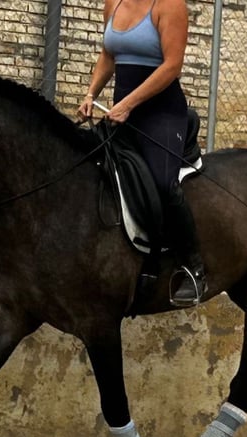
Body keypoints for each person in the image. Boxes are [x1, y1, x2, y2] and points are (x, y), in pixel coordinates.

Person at [77, 0, 207, 306]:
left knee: (163, 185)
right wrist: (90, 93)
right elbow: (108, 56)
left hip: (161, 114)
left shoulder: (170, 6)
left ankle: (193, 267)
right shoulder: (113, 4)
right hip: (121, 112)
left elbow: (172, 66)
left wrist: (129, 103)